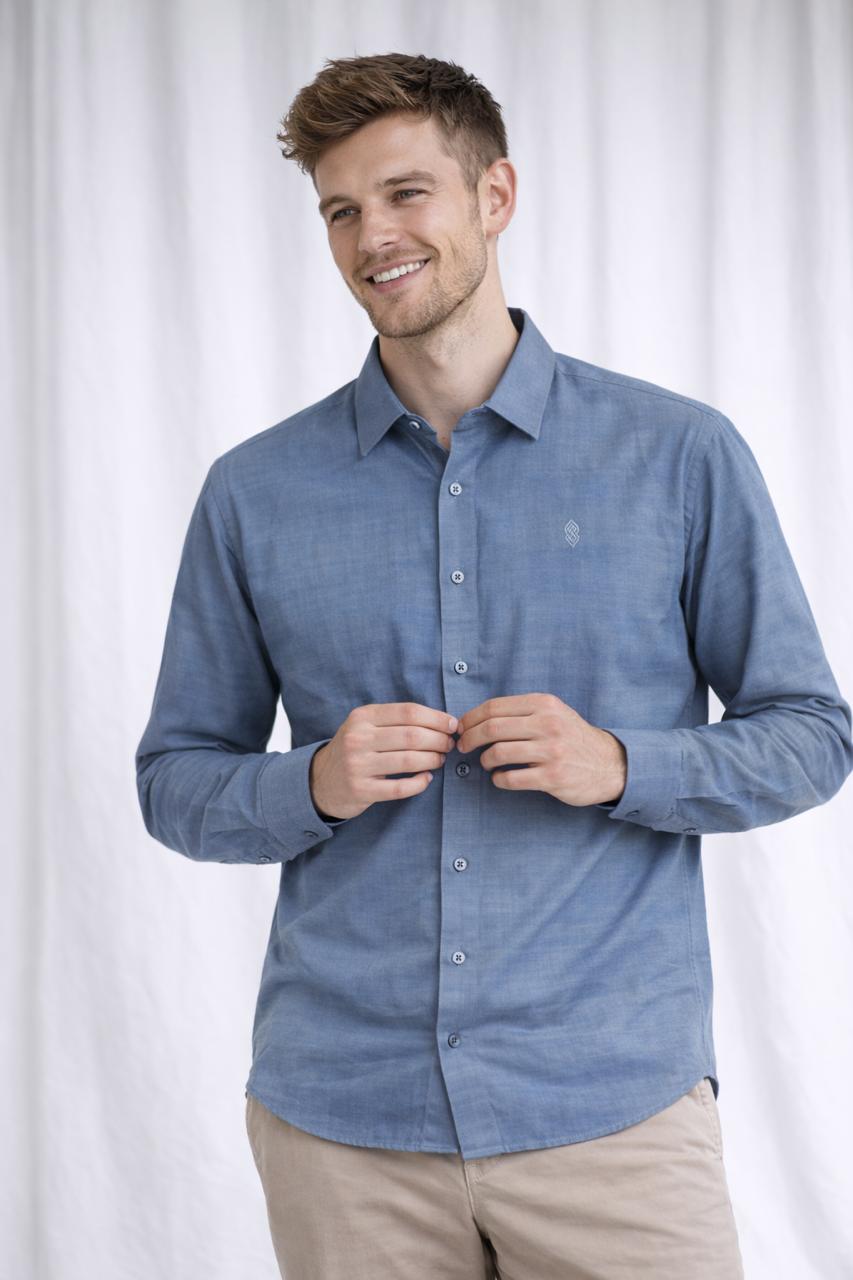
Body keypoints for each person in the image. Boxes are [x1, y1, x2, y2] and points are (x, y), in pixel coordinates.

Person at [134, 51, 853, 1280]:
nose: (372, 235)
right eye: (341, 210)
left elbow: (810, 733)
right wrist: (313, 781)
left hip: (613, 1114)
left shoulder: (678, 455)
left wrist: (619, 761)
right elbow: (174, 779)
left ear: (494, 195)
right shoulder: (254, 491)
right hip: (343, 1124)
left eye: (406, 193)